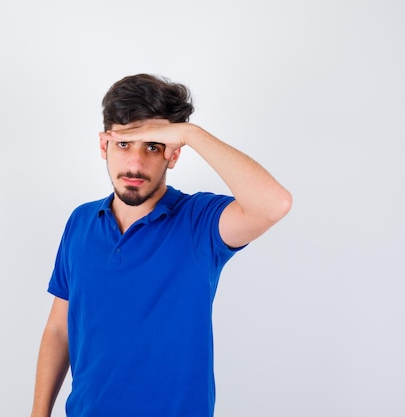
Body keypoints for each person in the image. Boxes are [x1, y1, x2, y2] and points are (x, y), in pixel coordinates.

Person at [30, 73, 292, 417]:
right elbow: (58, 327)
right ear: (103, 144)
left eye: (153, 146)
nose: (135, 164)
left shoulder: (200, 222)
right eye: (124, 144)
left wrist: (190, 134)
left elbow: (274, 204)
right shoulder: (80, 222)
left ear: (173, 154)